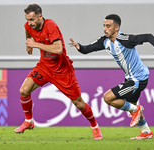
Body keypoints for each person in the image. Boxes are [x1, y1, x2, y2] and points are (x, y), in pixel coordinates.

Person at [69, 14, 154, 139]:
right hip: (131, 78)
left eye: (108, 26)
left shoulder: (125, 39)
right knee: (131, 107)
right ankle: (146, 131)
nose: (105, 29)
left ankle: (136, 110)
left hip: (137, 80)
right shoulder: (104, 41)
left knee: (108, 98)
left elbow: (149, 37)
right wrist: (79, 46)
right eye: (104, 26)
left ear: (116, 28)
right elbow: (88, 49)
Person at [14, 4, 102, 140]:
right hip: (44, 67)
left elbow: (58, 49)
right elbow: (28, 34)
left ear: (40, 16)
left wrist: (35, 45)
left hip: (62, 70)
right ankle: (29, 121)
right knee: (23, 91)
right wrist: (28, 45)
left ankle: (95, 126)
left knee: (79, 103)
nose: (29, 23)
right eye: (27, 19)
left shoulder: (50, 25)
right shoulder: (28, 26)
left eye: (32, 19)